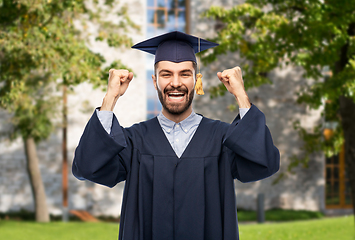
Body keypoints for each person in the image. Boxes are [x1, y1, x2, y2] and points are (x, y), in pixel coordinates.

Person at [72, 31, 280, 240]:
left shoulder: (223, 139)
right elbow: (86, 167)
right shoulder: (134, 141)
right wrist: (110, 98)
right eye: (166, 74)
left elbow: (265, 163)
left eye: (185, 74)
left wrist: (241, 96)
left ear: (196, 80)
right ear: (155, 81)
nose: (175, 82)